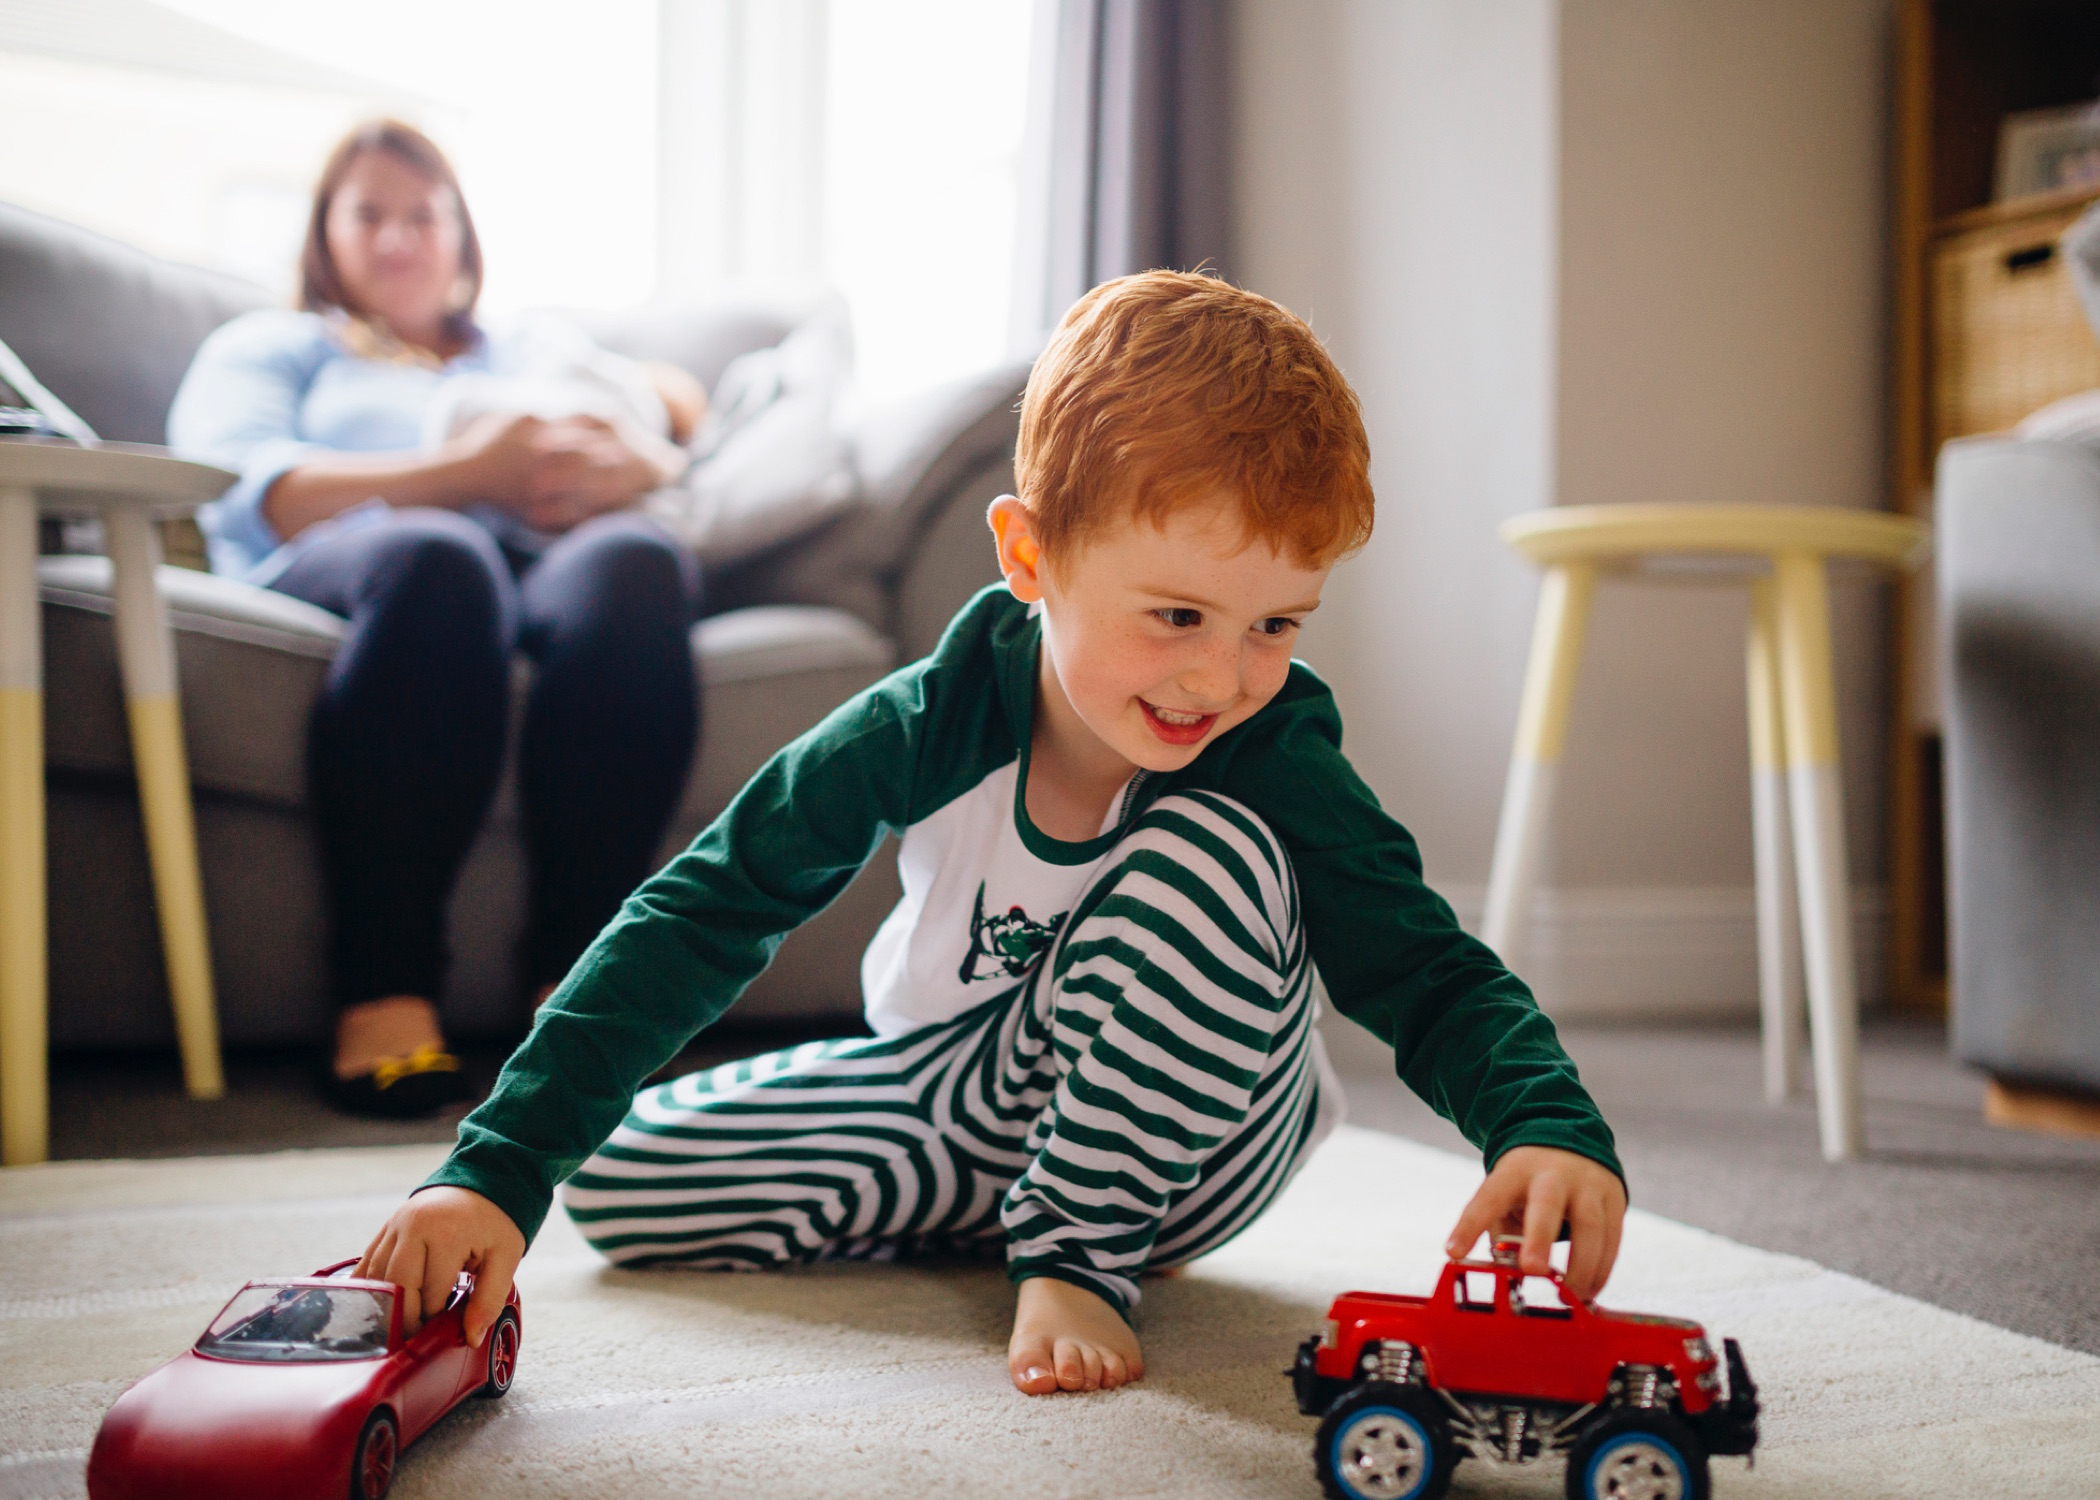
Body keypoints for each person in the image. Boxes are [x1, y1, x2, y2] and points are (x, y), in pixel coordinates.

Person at [354, 271, 1628, 1396]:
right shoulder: (924, 719)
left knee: (1212, 857)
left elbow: (1419, 960)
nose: (1226, 676)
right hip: (969, 1094)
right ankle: (1015, 1210)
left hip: (1206, 1131)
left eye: (1276, 624)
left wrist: (1545, 1124)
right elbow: (709, 906)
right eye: (1178, 615)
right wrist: (499, 1168)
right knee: (620, 1179)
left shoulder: (1270, 746)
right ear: (1029, 556)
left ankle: (1081, 1248)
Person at [168, 120, 706, 1118]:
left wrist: (650, 461)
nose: (397, 239)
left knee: (635, 564)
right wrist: (464, 477)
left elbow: (665, 411)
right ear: (325, 231)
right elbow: (248, 488)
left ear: (463, 236)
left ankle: (578, 1000)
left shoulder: (531, 346)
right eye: (368, 213)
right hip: (367, 559)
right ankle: (383, 992)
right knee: (440, 555)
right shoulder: (276, 346)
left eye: (423, 215)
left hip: (537, 558)